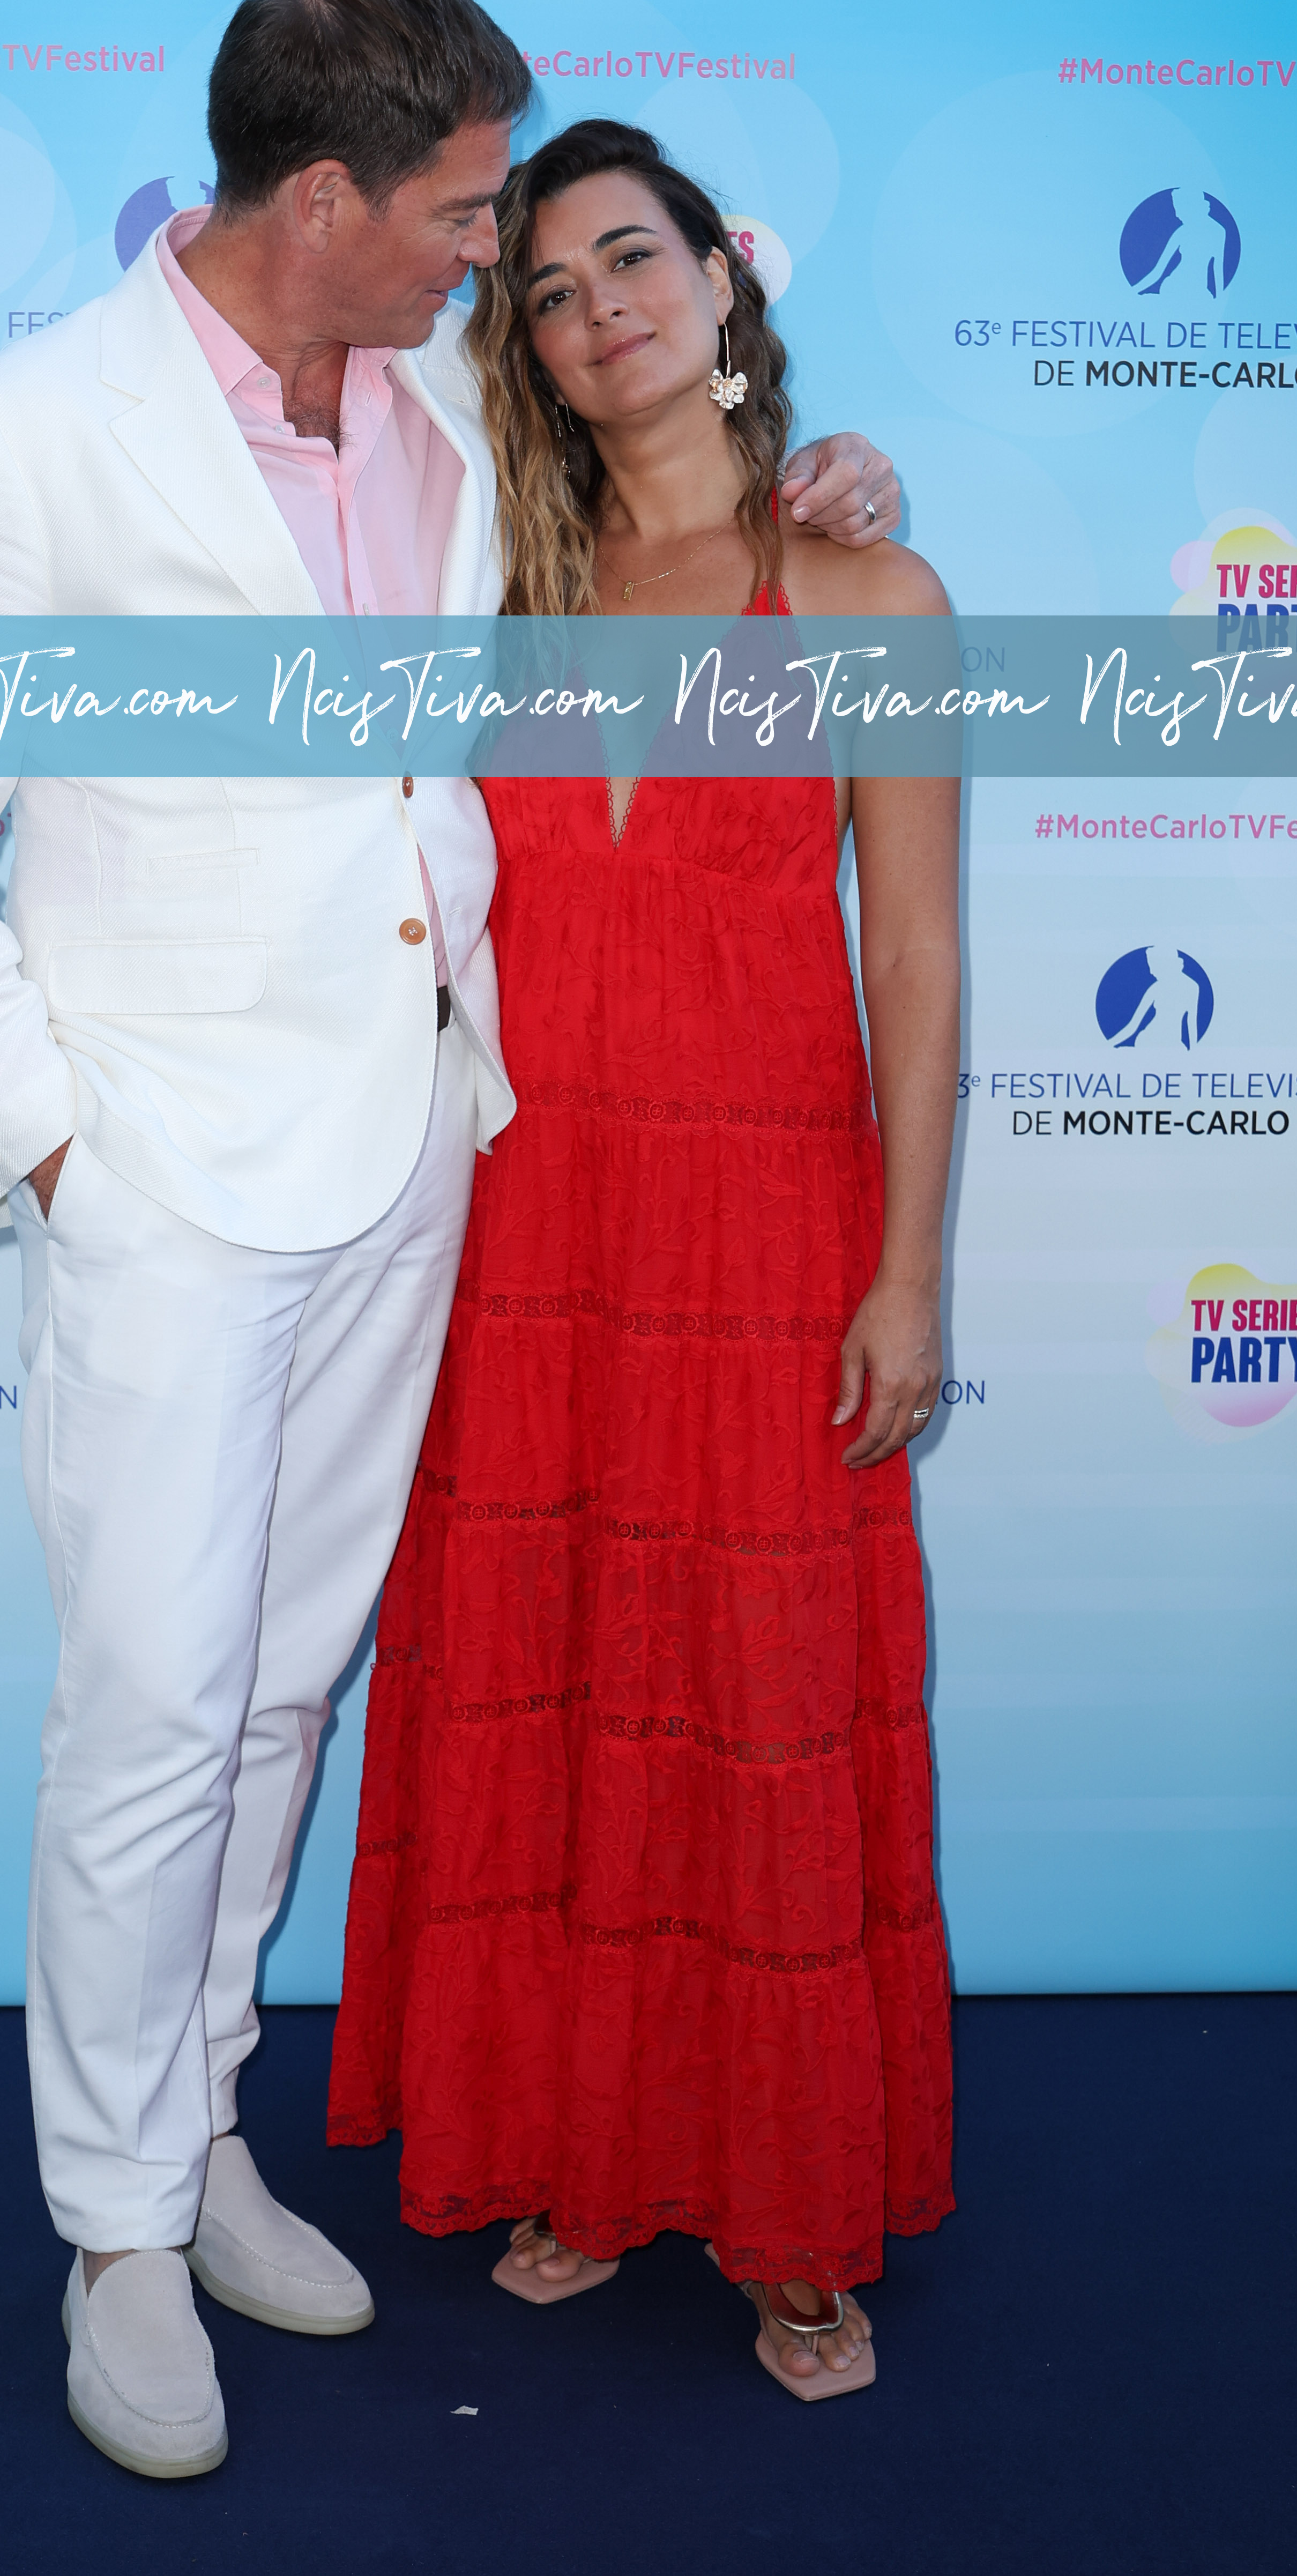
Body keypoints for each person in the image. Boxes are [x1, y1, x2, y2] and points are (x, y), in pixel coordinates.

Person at [0, 0, 903, 2480]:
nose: (487, 256)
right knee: (151, 1711)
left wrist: (843, 480)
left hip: (425, 1144)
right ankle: (107, 2225)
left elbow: (689, 497)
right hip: (170, 1184)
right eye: (451, 213)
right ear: (324, 195)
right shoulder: (24, 434)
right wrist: (63, 1150)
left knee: (287, 1688)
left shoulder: (433, 393)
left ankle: (197, 2136)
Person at [329, 118, 959, 2402]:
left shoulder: (871, 595)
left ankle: (797, 2212)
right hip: (525, 1224)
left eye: (634, 258)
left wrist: (907, 1270)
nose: (604, 309)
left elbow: (921, 960)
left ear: (720, 270)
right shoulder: (493, 571)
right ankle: (577, 2152)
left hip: (769, 1216)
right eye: (559, 291)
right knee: (560, 1667)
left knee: (762, 1698)